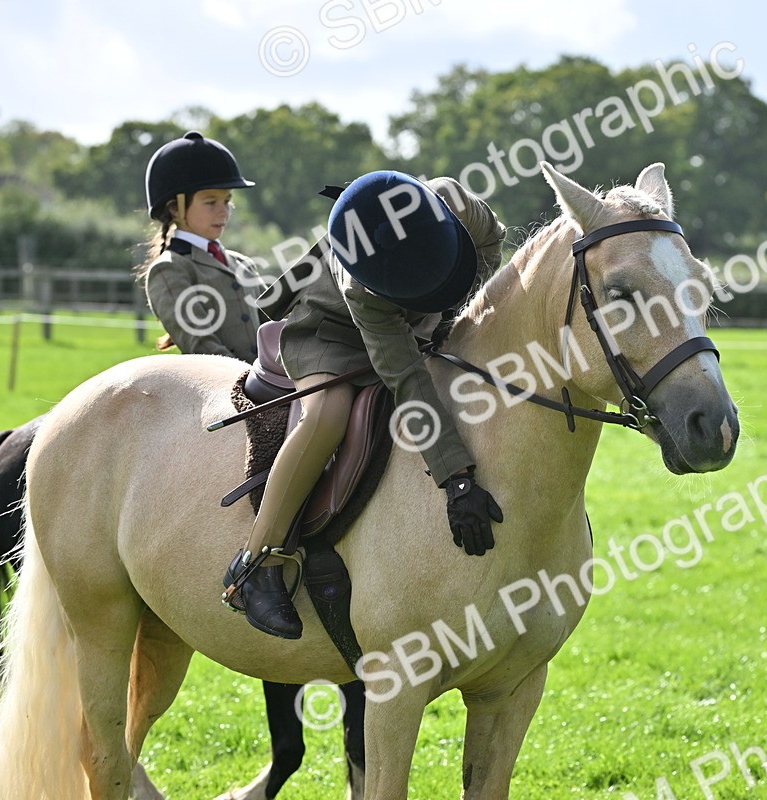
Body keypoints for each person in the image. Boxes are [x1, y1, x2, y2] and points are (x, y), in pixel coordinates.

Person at [222, 170, 507, 639]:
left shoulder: (457, 202)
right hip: (331, 329)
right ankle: (256, 564)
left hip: (422, 313)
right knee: (328, 414)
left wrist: (452, 308)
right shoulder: (363, 288)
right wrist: (456, 479)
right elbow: (407, 379)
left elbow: (491, 245)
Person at [140, 131, 264, 361]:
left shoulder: (243, 264)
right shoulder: (169, 269)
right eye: (210, 202)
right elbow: (199, 343)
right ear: (175, 208)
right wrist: (250, 380)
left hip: (271, 386)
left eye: (227, 201)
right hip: (223, 388)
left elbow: (275, 328)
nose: (223, 211)